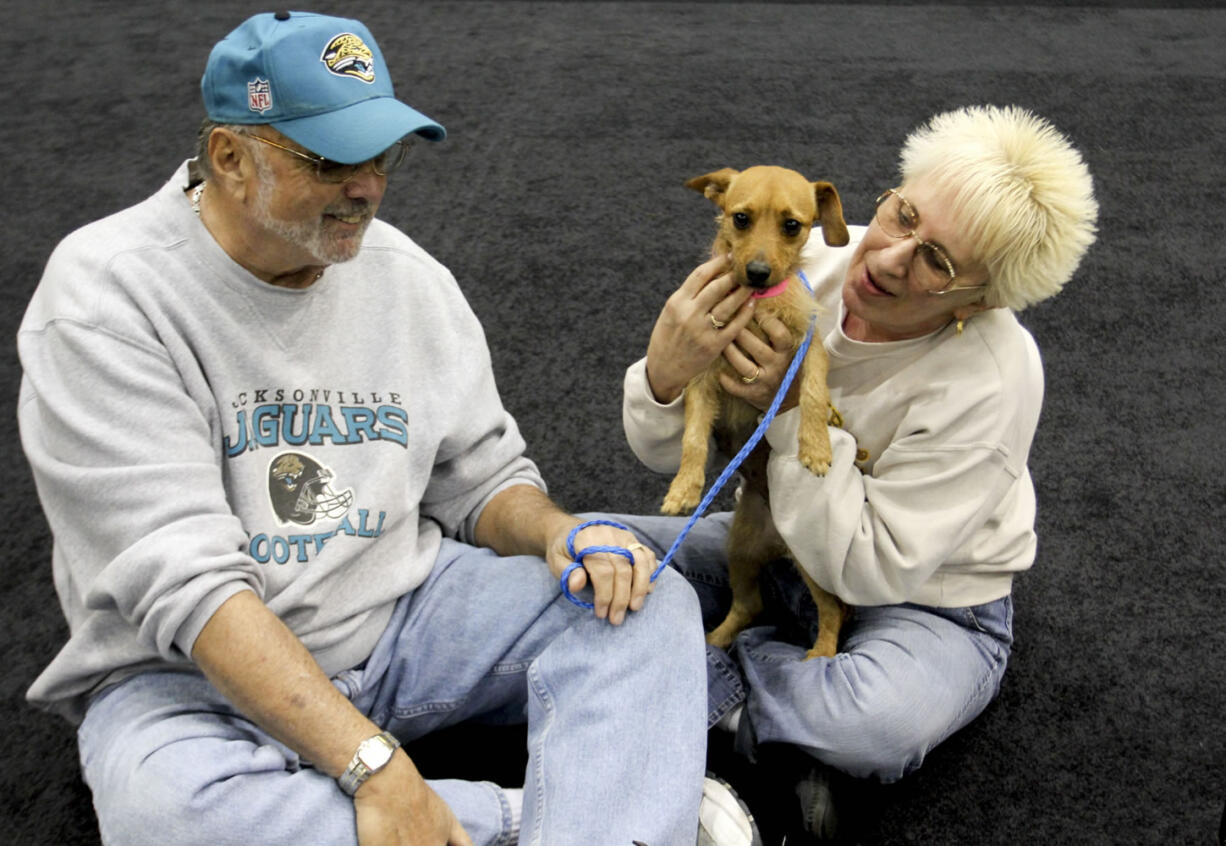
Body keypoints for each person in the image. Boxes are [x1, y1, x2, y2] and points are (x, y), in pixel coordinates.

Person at [17, 11, 757, 846]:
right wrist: (373, 765)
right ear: (229, 157)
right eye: (331, 160)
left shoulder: (409, 278)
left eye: (382, 153)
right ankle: (575, 811)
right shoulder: (106, 298)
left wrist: (556, 531)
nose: (367, 185)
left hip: (401, 612)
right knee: (170, 815)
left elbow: (481, 480)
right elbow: (191, 592)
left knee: (641, 597)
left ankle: (589, 808)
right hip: (187, 679)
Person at [618, 105, 1098, 840]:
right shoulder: (803, 262)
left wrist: (783, 412)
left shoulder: (998, 378)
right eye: (903, 215)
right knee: (593, 547)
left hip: (922, 599)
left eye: (938, 261)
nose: (890, 258)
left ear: (985, 298)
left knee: (871, 725)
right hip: (772, 530)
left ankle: (670, 673)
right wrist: (664, 371)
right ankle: (751, 705)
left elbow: (876, 566)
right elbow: (662, 456)